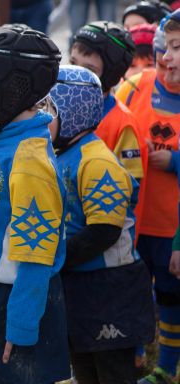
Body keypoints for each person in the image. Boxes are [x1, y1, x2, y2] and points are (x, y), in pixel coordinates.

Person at [0, 26, 69, 384]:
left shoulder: (28, 162)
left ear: (11, 95)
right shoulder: (7, 142)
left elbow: (37, 257)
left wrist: (21, 327)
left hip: (20, 301)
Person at [49, 65, 155, 384]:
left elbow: (104, 231)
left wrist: (55, 256)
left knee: (115, 382)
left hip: (109, 287)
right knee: (85, 376)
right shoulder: (63, 155)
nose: (42, 119)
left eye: (49, 110)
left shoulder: (97, 162)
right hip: (78, 285)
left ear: (72, 112)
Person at [116, 13, 180, 384]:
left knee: (171, 297)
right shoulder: (136, 87)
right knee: (132, 290)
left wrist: (174, 162)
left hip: (171, 229)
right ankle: (134, 352)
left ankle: (167, 368)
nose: (167, 57)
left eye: (178, 49)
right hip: (132, 222)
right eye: (166, 47)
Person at [70, 21, 149, 233]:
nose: (76, 74)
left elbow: (129, 194)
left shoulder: (123, 124)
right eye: (72, 63)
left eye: (88, 69)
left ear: (111, 75)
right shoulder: (59, 110)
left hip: (105, 244)